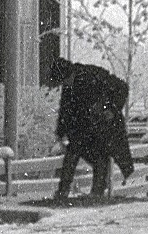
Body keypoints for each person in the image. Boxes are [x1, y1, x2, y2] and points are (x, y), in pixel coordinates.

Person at [49, 55, 136, 200]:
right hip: (84, 129)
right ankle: (64, 191)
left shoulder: (93, 75)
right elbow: (65, 111)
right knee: (73, 154)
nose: (64, 84)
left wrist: (112, 109)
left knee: (100, 155)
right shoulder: (69, 86)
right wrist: (60, 133)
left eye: (63, 81)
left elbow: (122, 87)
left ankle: (97, 191)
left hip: (103, 127)